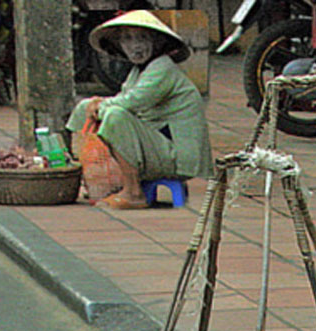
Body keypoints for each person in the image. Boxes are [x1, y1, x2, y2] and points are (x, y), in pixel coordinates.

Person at [65, 9, 213, 210]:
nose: (135, 45)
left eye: (142, 38)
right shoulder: (139, 71)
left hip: (178, 157)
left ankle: (134, 192)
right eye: (127, 39)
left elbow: (132, 102)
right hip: (158, 145)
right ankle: (70, 167)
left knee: (115, 116)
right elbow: (122, 98)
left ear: (157, 42)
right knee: (86, 107)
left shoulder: (163, 68)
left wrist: (100, 105)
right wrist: (94, 104)